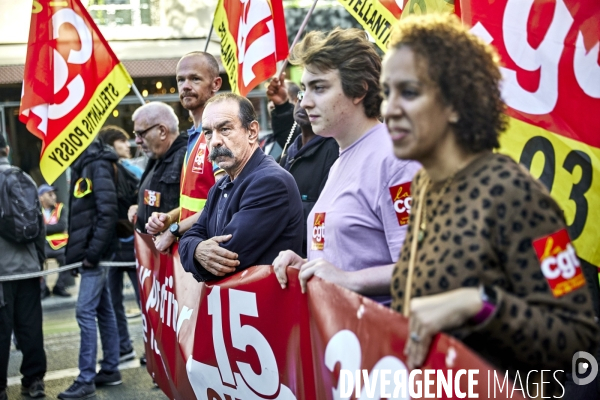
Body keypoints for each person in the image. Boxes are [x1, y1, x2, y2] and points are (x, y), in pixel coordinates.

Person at [382, 14, 598, 394]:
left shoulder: (513, 193)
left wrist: (477, 304)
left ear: (454, 103)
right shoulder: (425, 185)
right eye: (387, 93)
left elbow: (577, 334)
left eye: (410, 93)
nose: (389, 109)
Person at [273, 28, 421, 304]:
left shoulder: (396, 159)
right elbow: (347, 260)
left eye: (319, 87)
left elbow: (425, 270)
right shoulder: (340, 161)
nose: (304, 101)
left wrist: (349, 280)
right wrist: (306, 264)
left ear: (359, 90)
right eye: (304, 88)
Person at [179, 93, 304, 282]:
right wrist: (196, 249)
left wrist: (192, 250)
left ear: (252, 132)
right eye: (208, 132)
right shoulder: (220, 186)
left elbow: (226, 260)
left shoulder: (271, 183)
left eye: (225, 129)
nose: (215, 141)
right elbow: (191, 236)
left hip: (266, 307)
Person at [59, 138, 122, 399]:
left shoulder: (95, 163)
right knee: (102, 309)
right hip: (90, 253)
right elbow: (83, 214)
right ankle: (110, 368)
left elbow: (107, 212)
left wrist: (92, 254)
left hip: (95, 254)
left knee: (84, 310)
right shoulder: (86, 163)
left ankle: (86, 379)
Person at [144, 52, 222, 254]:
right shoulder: (195, 135)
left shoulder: (219, 134)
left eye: (195, 78)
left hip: (212, 252)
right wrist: (168, 218)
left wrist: (174, 230)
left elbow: (224, 202)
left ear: (216, 84)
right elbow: (197, 202)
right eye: (181, 79)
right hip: (193, 251)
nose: (186, 86)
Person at [266, 76, 339, 257]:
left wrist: (277, 212)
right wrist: (282, 106)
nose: (304, 102)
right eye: (301, 93)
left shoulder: (334, 151)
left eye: (317, 92)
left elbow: (326, 215)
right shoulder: (292, 146)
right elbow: (285, 133)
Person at [0, 135, 47, 399]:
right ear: (6, 149)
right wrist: (39, 261)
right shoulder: (25, 178)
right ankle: (34, 381)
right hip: (28, 267)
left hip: (2, 273)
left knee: (2, 330)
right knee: (30, 326)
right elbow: (38, 225)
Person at [98, 126, 141, 364]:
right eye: (122, 140)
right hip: (127, 245)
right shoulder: (123, 170)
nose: (128, 144)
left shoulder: (131, 169)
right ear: (111, 145)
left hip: (122, 245)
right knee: (136, 301)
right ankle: (130, 347)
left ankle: (126, 347)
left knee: (125, 301)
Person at [127, 102, 187, 238]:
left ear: (162, 131)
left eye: (141, 133)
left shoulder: (187, 156)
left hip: (174, 253)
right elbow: (158, 198)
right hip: (154, 253)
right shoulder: (157, 157)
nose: (137, 140)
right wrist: (140, 207)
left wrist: (172, 227)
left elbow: (198, 207)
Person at [38, 183, 73, 298]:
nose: (54, 196)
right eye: (49, 194)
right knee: (37, 260)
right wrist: (51, 228)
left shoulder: (60, 208)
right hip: (43, 246)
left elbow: (62, 226)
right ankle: (42, 289)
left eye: (54, 194)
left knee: (67, 258)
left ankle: (59, 286)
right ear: (41, 197)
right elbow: (35, 228)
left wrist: (44, 228)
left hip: (60, 246)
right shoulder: (36, 210)